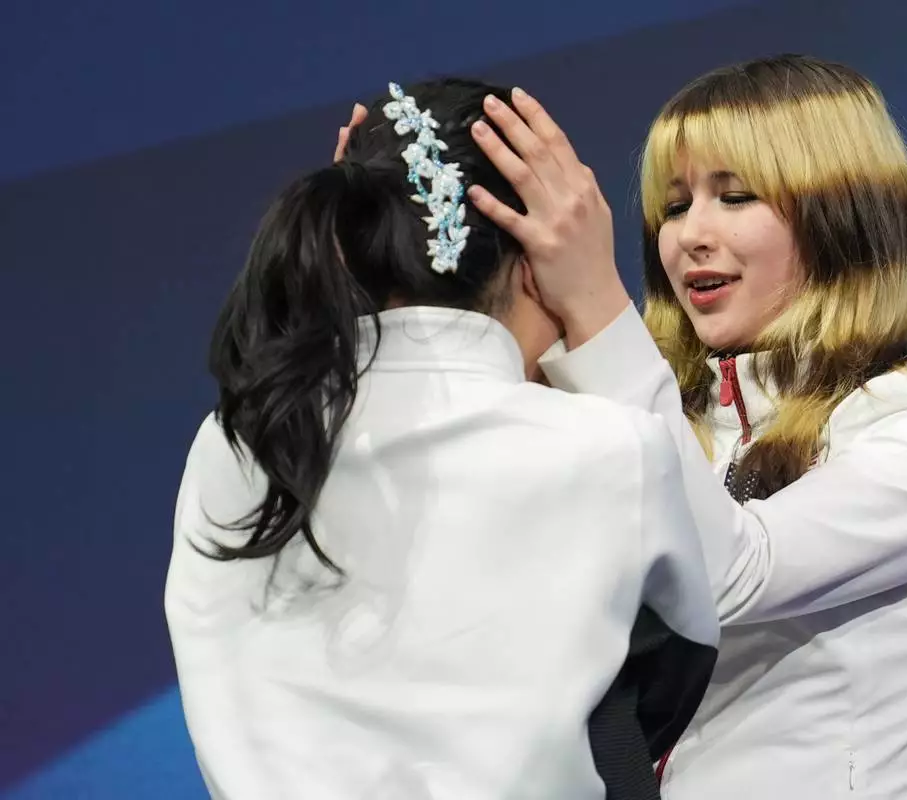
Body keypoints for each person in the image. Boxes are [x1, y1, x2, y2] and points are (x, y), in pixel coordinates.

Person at [456, 55, 907, 798]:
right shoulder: (640, 416)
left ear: (840, 215)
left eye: (736, 196)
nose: (691, 235)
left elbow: (727, 576)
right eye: (677, 205)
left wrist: (593, 302)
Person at [166, 77, 720, 800]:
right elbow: (682, 657)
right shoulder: (612, 449)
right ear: (535, 266)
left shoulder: (236, 444)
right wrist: (597, 302)